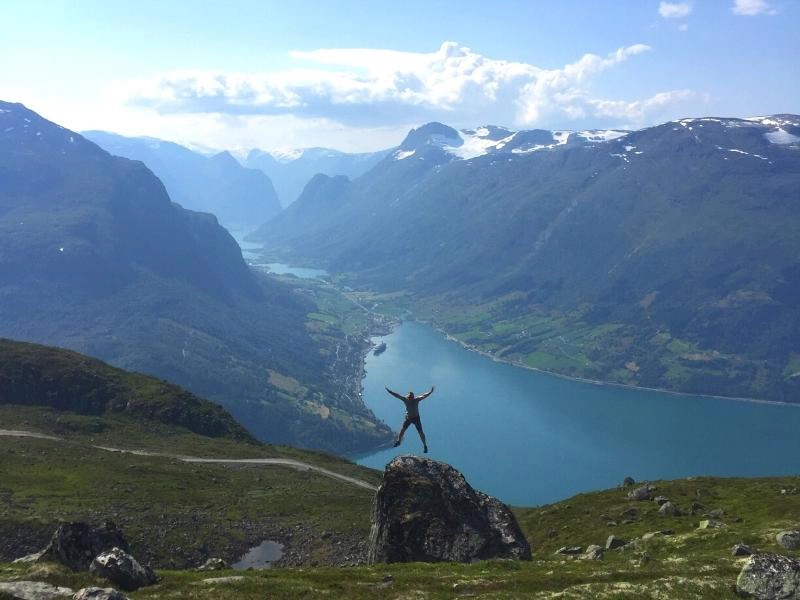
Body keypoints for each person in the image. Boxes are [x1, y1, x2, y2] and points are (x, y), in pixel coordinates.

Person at [385, 385, 435, 453]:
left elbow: (424, 395)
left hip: (416, 418)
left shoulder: (416, 400)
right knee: (402, 429)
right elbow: (397, 395)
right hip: (408, 418)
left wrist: (430, 392)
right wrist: (390, 392)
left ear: (413, 397)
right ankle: (398, 441)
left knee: (420, 432)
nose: (410, 398)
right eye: (409, 397)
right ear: (407, 397)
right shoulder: (405, 399)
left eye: (411, 397)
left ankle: (425, 446)